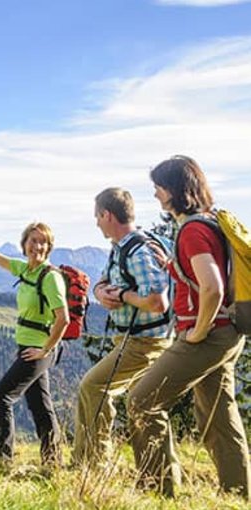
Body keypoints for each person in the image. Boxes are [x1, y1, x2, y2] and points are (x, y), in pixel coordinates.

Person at [128, 155, 249, 499]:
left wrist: (197, 331)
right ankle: (237, 497)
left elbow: (212, 287)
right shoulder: (208, 222)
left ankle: (158, 490)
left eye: (159, 188)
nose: (155, 195)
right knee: (219, 418)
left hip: (207, 336)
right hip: (228, 332)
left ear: (176, 190)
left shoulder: (193, 230)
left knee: (141, 401)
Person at [72, 188, 172, 468]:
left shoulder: (138, 251)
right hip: (133, 340)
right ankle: (160, 478)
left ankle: (91, 464)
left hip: (144, 342)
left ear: (107, 214)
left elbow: (157, 301)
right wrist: (101, 291)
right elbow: (104, 281)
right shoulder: (122, 248)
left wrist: (123, 296)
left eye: (97, 216)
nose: (96, 223)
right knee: (148, 407)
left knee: (93, 387)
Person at [0, 222, 69, 468]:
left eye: (43, 242)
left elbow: (63, 319)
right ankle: (53, 463)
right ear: (24, 243)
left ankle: (2, 460)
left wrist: (45, 350)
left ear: (49, 247)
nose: (37, 246)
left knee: (1, 397)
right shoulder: (25, 270)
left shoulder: (50, 277)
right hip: (29, 347)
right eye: (32, 240)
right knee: (40, 405)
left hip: (39, 350)